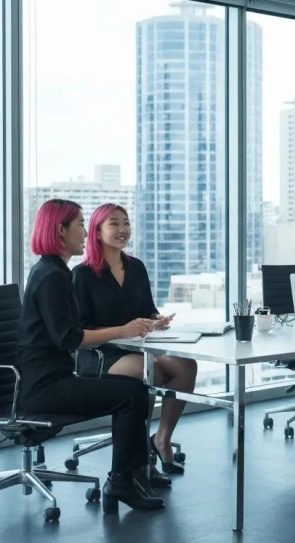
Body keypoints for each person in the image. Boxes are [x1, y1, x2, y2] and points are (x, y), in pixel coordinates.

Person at [17, 199, 164, 512]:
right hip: (43, 387)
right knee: (132, 394)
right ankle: (123, 482)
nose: (85, 232)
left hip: (49, 378)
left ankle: (128, 478)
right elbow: (70, 338)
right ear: (60, 231)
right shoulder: (54, 277)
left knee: (134, 391)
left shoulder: (53, 271)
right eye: (80, 225)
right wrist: (121, 331)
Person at [72, 203, 198, 475]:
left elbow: (146, 310)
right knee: (149, 373)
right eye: (114, 224)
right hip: (101, 354)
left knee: (186, 367)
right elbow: (79, 332)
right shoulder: (81, 275)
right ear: (96, 232)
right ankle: (140, 458)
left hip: (139, 348)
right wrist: (125, 329)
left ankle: (161, 439)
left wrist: (156, 321)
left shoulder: (136, 267)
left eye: (126, 223)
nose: (123, 230)